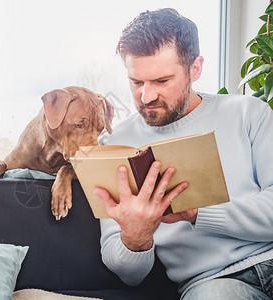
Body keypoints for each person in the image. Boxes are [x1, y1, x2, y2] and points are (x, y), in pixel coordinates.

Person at [95, 8, 273, 300]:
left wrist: (195, 213)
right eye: (136, 82)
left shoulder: (248, 113)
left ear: (195, 68)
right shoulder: (116, 144)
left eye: (162, 81)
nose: (147, 97)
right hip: (214, 283)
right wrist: (136, 237)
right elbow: (128, 274)